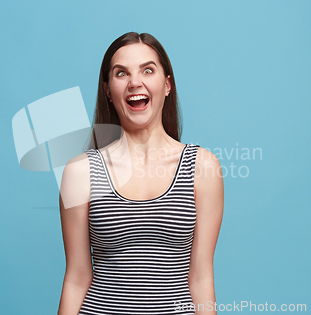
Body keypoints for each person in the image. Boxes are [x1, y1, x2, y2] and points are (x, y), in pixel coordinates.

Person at [57, 32, 224, 314]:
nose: (135, 82)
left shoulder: (202, 167)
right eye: (121, 73)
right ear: (108, 90)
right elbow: (76, 277)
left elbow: (201, 277)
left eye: (148, 70)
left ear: (167, 84)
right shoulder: (80, 172)